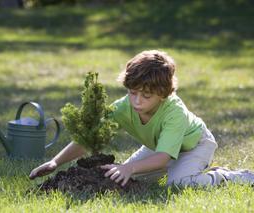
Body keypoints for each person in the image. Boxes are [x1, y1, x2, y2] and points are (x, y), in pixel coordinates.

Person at [29, 50, 254, 187]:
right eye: (132, 92)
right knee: (125, 177)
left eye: (146, 96)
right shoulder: (124, 106)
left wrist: (131, 167)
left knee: (178, 184)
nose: (137, 102)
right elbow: (89, 137)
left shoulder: (174, 112)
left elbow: (163, 158)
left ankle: (226, 176)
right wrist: (56, 162)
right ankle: (185, 170)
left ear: (163, 94)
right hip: (159, 148)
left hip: (194, 146)